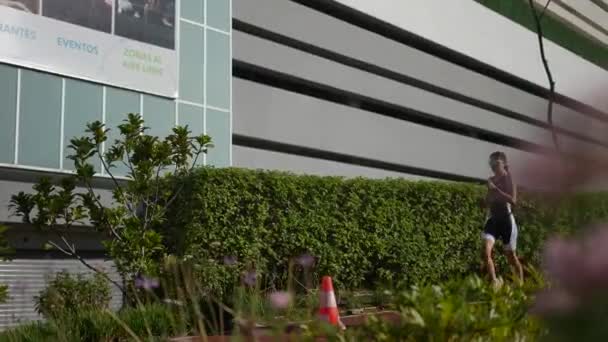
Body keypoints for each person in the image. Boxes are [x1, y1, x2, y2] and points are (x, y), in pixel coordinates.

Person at [481, 151, 523, 286]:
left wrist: (496, 190)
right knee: (486, 253)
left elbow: (513, 200)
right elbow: (487, 201)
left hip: (506, 221)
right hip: (493, 220)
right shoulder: (491, 180)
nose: (493, 165)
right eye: (491, 162)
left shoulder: (510, 179)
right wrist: (487, 197)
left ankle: (521, 285)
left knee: (511, 258)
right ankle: (494, 284)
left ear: (504, 164)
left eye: (496, 162)